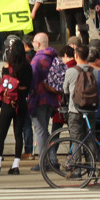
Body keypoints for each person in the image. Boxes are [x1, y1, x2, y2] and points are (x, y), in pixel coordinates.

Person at [0, 40, 33, 175]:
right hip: (21, 103)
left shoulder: (6, 67)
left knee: (1, 134)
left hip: (8, 103)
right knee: (18, 134)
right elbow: (28, 87)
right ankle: (15, 165)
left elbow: (4, 86)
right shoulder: (28, 66)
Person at [28, 32, 62, 169]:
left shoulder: (37, 59)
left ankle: (44, 162)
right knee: (45, 130)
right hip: (51, 98)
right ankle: (52, 159)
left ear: (37, 44)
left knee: (40, 130)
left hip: (39, 99)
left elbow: (33, 81)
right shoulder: (53, 57)